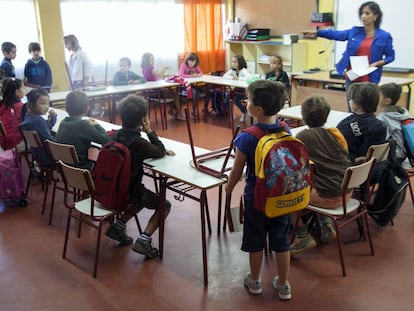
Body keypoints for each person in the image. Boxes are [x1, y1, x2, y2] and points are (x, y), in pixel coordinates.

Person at [225, 80, 292, 301]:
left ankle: (254, 281)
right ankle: (283, 285)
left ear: (258, 109)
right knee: (281, 241)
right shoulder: (285, 128)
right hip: (282, 195)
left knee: (255, 240)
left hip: (257, 199)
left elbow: (237, 170)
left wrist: (229, 187)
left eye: (249, 99)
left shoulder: (247, 137)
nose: (246, 102)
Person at [105, 94, 175, 259]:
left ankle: (119, 226)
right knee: (164, 204)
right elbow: (158, 151)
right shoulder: (138, 143)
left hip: (113, 188)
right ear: (144, 119)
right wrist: (149, 131)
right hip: (129, 191)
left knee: (141, 196)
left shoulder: (115, 135)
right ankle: (144, 239)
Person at [290, 96, 352, 255]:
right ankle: (325, 223)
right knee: (319, 179)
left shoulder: (302, 137)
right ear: (326, 116)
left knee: (289, 193)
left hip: (326, 197)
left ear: (303, 116)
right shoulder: (335, 133)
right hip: (347, 193)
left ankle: (302, 235)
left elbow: (296, 166)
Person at [317, 1, 394, 111]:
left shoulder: (384, 36)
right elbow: (337, 34)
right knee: (352, 108)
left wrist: (377, 63)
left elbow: (390, 57)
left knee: (367, 108)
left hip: (370, 77)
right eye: (362, 13)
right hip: (353, 75)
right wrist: (317, 33)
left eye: (367, 13)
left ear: (375, 16)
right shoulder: (355, 31)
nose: (363, 16)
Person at [56, 91, 110, 170]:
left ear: (66, 107)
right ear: (86, 108)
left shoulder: (63, 122)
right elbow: (106, 140)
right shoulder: (83, 125)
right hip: (81, 169)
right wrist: (96, 124)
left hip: (64, 168)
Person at [337, 82, 386, 164]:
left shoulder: (345, 126)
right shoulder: (381, 126)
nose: (349, 101)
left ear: (357, 104)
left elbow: (336, 151)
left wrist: (353, 159)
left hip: (349, 167)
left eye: (351, 99)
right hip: (371, 169)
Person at [140, 52, 183, 120]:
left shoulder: (144, 68)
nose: (153, 61)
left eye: (153, 59)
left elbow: (155, 77)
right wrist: (164, 68)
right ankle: (179, 113)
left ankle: (172, 110)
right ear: (146, 61)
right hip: (156, 92)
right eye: (151, 60)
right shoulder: (150, 67)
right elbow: (160, 75)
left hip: (150, 91)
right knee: (176, 95)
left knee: (171, 92)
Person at [20, 88, 57, 165]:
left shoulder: (28, 117)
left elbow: (45, 129)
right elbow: (50, 142)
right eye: (43, 104)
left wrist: (52, 118)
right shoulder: (38, 121)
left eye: (48, 104)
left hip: (37, 155)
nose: (46, 107)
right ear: (31, 104)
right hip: (48, 158)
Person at [377, 82, 409, 163]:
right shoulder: (401, 112)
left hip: (395, 156)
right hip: (405, 152)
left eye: (379, 96)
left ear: (387, 101)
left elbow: (381, 139)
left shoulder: (385, 118)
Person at [223, 55, 251, 122]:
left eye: (235, 62)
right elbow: (225, 76)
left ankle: (244, 112)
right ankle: (232, 113)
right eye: (232, 62)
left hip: (243, 91)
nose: (233, 64)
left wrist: (239, 78)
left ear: (240, 63)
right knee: (226, 99)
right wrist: (232, 78)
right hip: (235, 90)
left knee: (236, 100)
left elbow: (249, 78)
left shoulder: (243, 70)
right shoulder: (232, 70)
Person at [0, 78, 25, 151]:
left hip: (3, 140)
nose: (24, 90)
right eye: (23, 88)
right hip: (14, 142)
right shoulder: (20, 107)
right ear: (17, 92)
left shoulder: (3, 106)